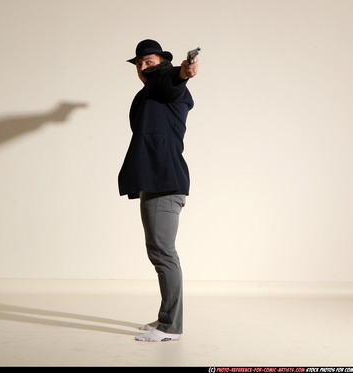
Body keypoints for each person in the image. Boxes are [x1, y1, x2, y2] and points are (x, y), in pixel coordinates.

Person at [118, 39, 199, 342]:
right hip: (154, 182)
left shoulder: (166, 83)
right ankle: (165, 319)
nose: (143, 68)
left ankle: (172, 328)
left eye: (148, 62)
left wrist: (184, 71)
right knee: (158, 252)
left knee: (164, 254)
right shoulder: (149, 93)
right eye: (139, 64)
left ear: (163, 62)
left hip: (166, 183)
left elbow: (172, 81)